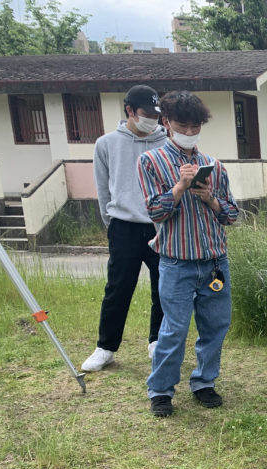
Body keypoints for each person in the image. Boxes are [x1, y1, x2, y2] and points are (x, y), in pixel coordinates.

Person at [136, 91, 239, 417]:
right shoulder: (150, 162)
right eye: (183, 125)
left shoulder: (215, 166)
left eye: (196, 126)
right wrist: (179, 188)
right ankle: (161, 390)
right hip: (176, 262)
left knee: (215, 326)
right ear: (166, 122)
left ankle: (204, 382)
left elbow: (232, 215)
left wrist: (210, 198)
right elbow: (155, 211)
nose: (190, 132)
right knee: (174, 329)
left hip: (213, 262)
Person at [81, 85, 167, 372]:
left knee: (164, 287)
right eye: (146, 114)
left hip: (161, 225)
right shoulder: (106, 144)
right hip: (124, 227)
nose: (152, 120)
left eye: (156, 115)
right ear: (129, 111)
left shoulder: (167, 142)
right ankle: (106, 347)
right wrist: (113, 223)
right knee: (118, 288)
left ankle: (157, 341)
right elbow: (103, 190)